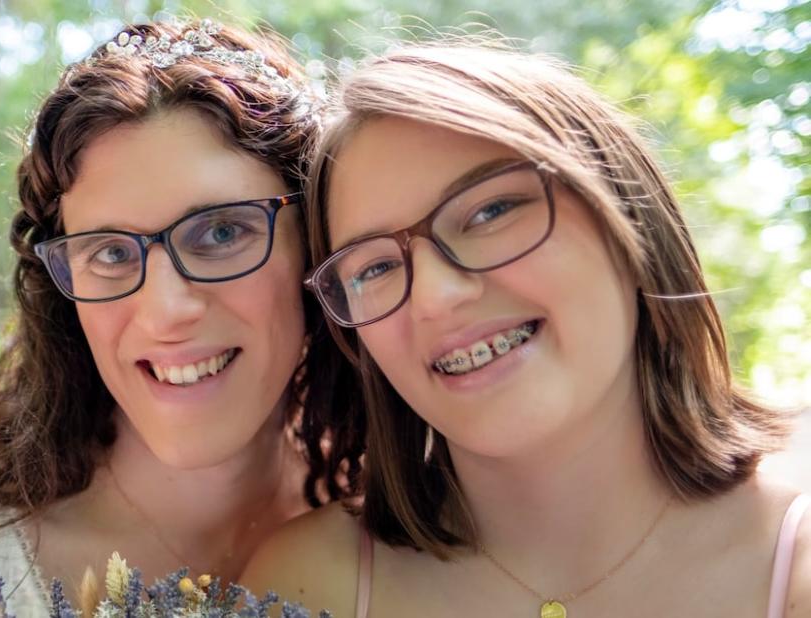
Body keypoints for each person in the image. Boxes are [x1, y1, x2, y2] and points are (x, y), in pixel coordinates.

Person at [242, 40, 808, 617]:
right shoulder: (303, 587)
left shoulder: (793, 568)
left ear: (623, 213)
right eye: (377, 267)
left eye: (490, 212)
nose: (435, 297)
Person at [0, 18, 358, 618]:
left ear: (315, 243)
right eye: (110, 252)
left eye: (220, 231)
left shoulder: (411, 515)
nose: (167, 311)